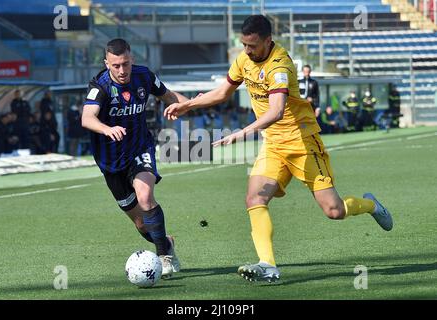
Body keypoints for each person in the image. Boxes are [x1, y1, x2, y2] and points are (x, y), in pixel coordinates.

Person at [164, 15, 393, 283]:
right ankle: (268, 265)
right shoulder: (244, 60)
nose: (247, 51)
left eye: (252, 46)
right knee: (254, 198)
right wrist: (188, 105)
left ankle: (370, 205)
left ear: (268, 41)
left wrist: (243, 132)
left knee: (334, 211)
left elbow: (275, 111)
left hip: (302, 142)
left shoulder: (279, 66)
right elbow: (223, 92)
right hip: (273, 144)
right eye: (243, 45)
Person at [81, 38, 189, 279]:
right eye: (116, 65)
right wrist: (107, 129)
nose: (122, 70)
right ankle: (166, 242)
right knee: (141, 224)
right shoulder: (100, 86)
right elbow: (87, 118)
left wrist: (193, 103)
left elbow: (169, 96)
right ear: (106, 63)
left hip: (140, 148)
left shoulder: (144, 76)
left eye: (126, 64)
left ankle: (164, 256)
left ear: (132, 60)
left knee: (146, 196)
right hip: (110, 162)